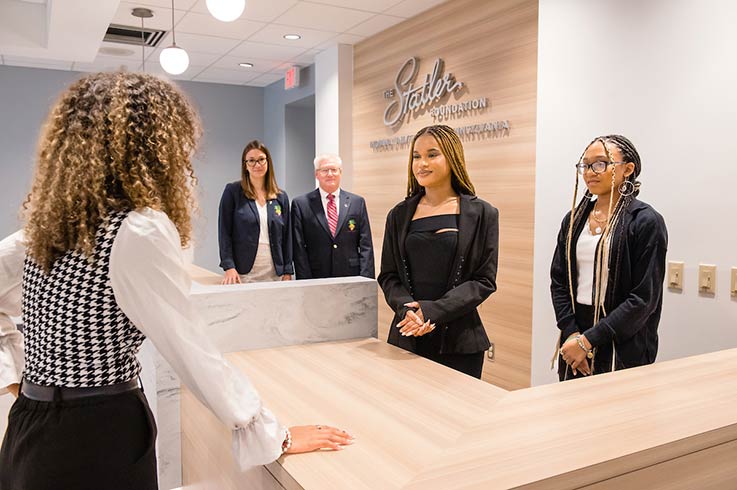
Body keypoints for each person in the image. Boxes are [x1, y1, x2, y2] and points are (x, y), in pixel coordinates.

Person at [0, 72, 352, 490]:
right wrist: (273, 434)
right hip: (98, 437)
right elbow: (192, 352)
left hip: (28, 429)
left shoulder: (49, 229)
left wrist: (22, 373)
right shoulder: (137, 230)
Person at [377, 125, 499, 379]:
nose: (422, 163)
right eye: (416, 156)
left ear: (452, 158)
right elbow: (388, 276)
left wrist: (431, 311)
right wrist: (408, 311)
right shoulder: (398, 215)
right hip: (407, 335)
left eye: (432, 155)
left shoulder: (482, 214)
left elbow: (483, 280)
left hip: (460, 344)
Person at [550, 135, 667, 381]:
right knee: (572, 412)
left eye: (600, 164)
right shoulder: (573, 219)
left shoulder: (645, 221)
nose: (590, 172)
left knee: (617, 416)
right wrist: (572, 334)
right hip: (575, 335)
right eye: (585, 165)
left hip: (623, 340)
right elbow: (559, 281)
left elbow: (643, 298)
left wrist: (589, 341)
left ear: (628, 169)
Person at [218, 140, 293, 284]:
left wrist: (288, 270)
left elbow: (287, 237)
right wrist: (229, 266)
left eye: (261, 160)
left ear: (268, 162)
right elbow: (224, 232)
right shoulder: (233, 192)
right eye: (251, 161)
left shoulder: (280, 197)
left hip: (275, 272)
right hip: (243, 272)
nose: (257, 165)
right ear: (245, 165)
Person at [291, 154, 374, 280]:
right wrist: (304, 282)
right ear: (316, 174)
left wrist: (366, 279)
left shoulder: (357, 202)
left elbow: (366, 245)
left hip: (351, 276)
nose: (330, 174)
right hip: (316, 277)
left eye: (334, 170)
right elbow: (299, 249)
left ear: (340, 173)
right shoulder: (301, 204)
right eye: (324, 170)